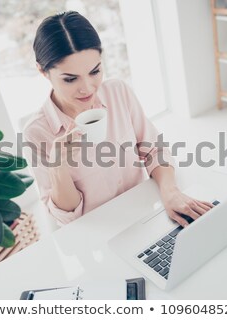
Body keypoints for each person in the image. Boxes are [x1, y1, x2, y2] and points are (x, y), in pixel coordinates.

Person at [24, 11, 213, 227]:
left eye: (94, 71)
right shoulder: (36, 132)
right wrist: (58, 167)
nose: (87, 88)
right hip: (96, 235)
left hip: (146, 217)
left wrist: (170, 192)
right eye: (70, 79)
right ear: (42, 71)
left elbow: (153, 149)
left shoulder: (117, 92)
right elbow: (66, 217)